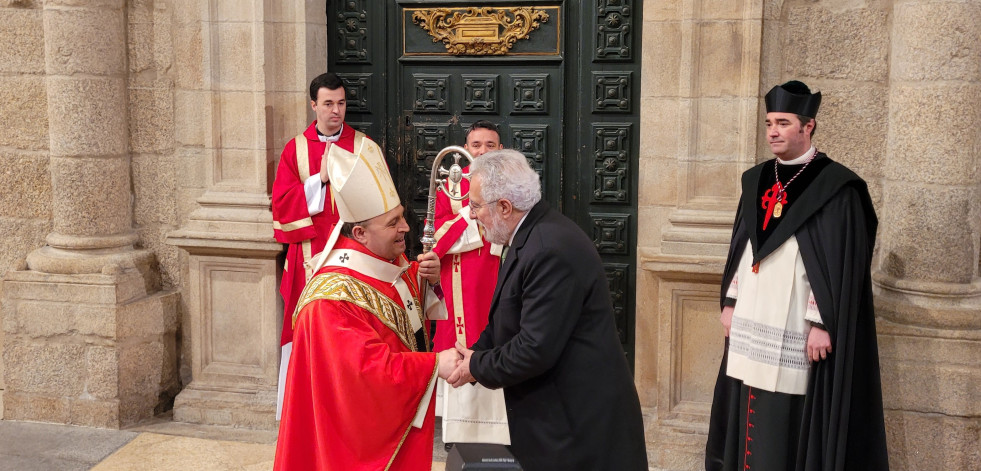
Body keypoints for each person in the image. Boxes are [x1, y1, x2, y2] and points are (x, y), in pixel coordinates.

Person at [704, 80, 889, 470]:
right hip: (753, 312)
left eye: (783, 123)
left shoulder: (837, 188)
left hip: (794, 323)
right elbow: (743, 247)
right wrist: (730, 301)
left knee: (786, 412)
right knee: (746, 394)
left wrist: (823, 322)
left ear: (809, 126)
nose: (773, 130)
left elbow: (841, 264)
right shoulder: (756, 179)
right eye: (769, 122)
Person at [445, 149, 648, 471]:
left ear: (505, 207)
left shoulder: (549, 247)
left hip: (578, 428)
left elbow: (534, 348)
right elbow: (506, 320)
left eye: (475, 205)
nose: (471, 215)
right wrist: (473, 353)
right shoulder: (529, 235)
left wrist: (476, 365)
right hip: (556, 421)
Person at [273, 133, 460, 470]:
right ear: (359, 234)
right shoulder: (329, 301)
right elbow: (366, 375)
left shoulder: (385, 260)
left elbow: (395, 299)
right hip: (348, 444)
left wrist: (425, 278)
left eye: (402, 216)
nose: (405, 227)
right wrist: (435, 364)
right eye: (393, 223)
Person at [271, 72, 365, 416]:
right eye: (328, 104)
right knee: (308, 327)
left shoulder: (362, 146)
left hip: (353, 257)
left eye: (341, 103)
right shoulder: (295, 149)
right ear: (314, 105)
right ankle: (303, 407)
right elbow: (281, 207)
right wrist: (319, 180)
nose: (335, 111)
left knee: (352, 328)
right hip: (309, 257)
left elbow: (381, 200)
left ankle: (349, 407)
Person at [431, 121, 509, 446]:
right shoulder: (450, 186)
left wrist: (468, 229)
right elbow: (437, 238)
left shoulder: (512, 184)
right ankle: (459, 435)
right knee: (462, 344)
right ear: (466, 149)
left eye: (490, 145)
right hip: (460, 284)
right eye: (476, 145)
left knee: (500, 339)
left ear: (500, 149)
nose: (482, 151)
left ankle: (502, 433)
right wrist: (469, 214)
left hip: (498, 278)